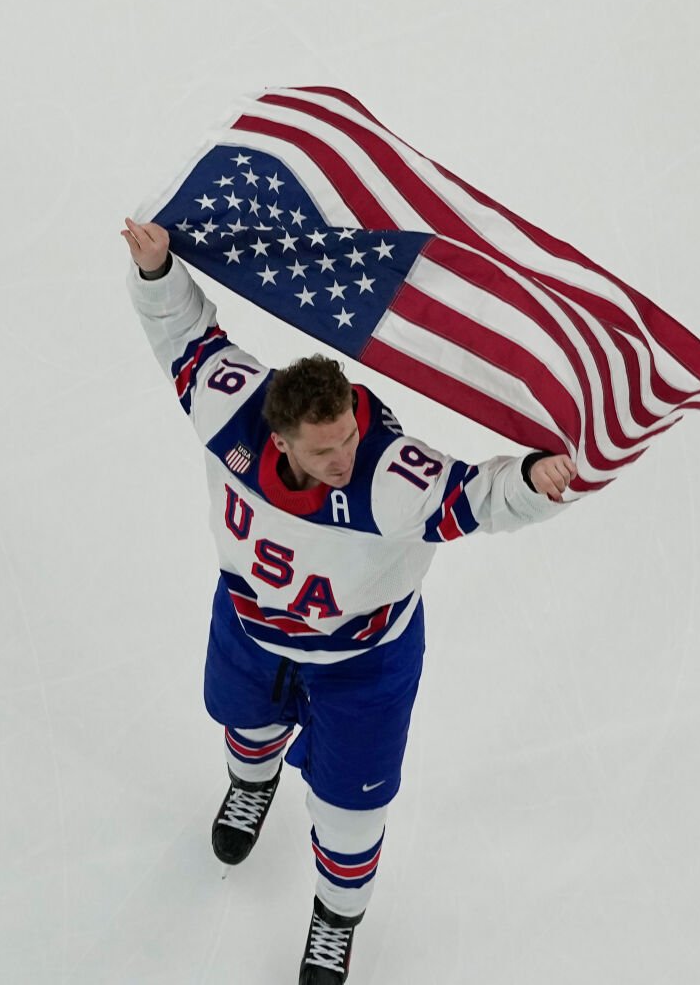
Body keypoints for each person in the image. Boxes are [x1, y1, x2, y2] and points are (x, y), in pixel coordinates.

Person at [123, 216, 576, 984]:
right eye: (324, 447)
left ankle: (335, 918)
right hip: (251, 626)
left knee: (351, 809)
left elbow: (482, 497)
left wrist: (537, 484)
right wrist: (157, 270)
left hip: (362, 659)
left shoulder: (392, 476)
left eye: (347, 437)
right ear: (280, 437)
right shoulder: (229, 406)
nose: (342, 457)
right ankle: (251, 784)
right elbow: (183, 336)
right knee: (244, 722)